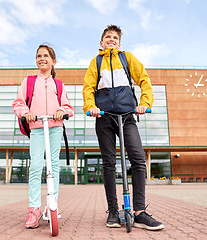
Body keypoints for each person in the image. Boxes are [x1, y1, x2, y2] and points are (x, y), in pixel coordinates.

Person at [82, 25, 164, 231]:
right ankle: (112, 211)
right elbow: (88, 87)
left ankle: (139, 212)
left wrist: (145, 103)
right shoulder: (97, 62)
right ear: (101, 43)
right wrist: (91, 107)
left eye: (115, 37)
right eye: (107, 37)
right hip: (104, 117)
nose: (111, 39)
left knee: (137, 158)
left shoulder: (127, 58)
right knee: (109, 163)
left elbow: (144, 80)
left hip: (127, 115)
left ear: (119, 42)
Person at [13, 44, 74, 229]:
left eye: (46, 56)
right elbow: (18, 103)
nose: (42, 58)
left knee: (53, 165)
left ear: (53, 61)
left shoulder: (59, 84)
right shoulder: (29, 81)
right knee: (36, 165)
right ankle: (34, 209)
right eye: (39, 55)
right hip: (37, 127)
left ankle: (51, 206)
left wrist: (61, 111)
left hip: (55, 127)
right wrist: (26, 113)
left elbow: (69, 108)